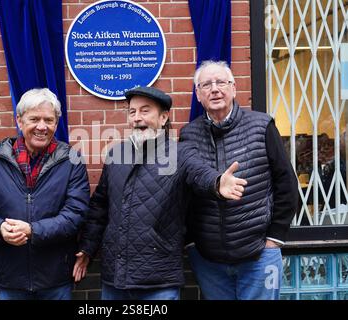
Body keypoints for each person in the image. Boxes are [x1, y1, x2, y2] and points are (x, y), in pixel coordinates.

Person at [73, 86, 247, 300]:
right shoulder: (116, 154)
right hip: (114, 279)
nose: (137, 118)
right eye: (132, 112)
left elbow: (199, 173)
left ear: (164, 117)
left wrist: (217, 182)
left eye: (145, 111)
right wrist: (88, 248)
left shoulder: (180, 152)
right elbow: (100, 206)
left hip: (158, 281)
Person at [180, 60, 299, 300]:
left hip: (259, 255)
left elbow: (286, 184)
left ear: (234, 88)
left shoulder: (262, 125)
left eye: (221, 82)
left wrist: (274, 239)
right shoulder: (188, 135)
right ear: (198, 95)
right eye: (206, 85)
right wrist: (192, 242)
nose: (215, 89)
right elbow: (184, 191)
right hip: (209, 261)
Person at [0, 88, 89, 300]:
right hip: (11, 278)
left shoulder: (72, 162)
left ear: (56, 123)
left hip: (55, 279)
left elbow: (75, 214)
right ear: (19, 120)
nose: (42, 126)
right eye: (34, 119)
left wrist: (33, 230)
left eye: (49, 120)